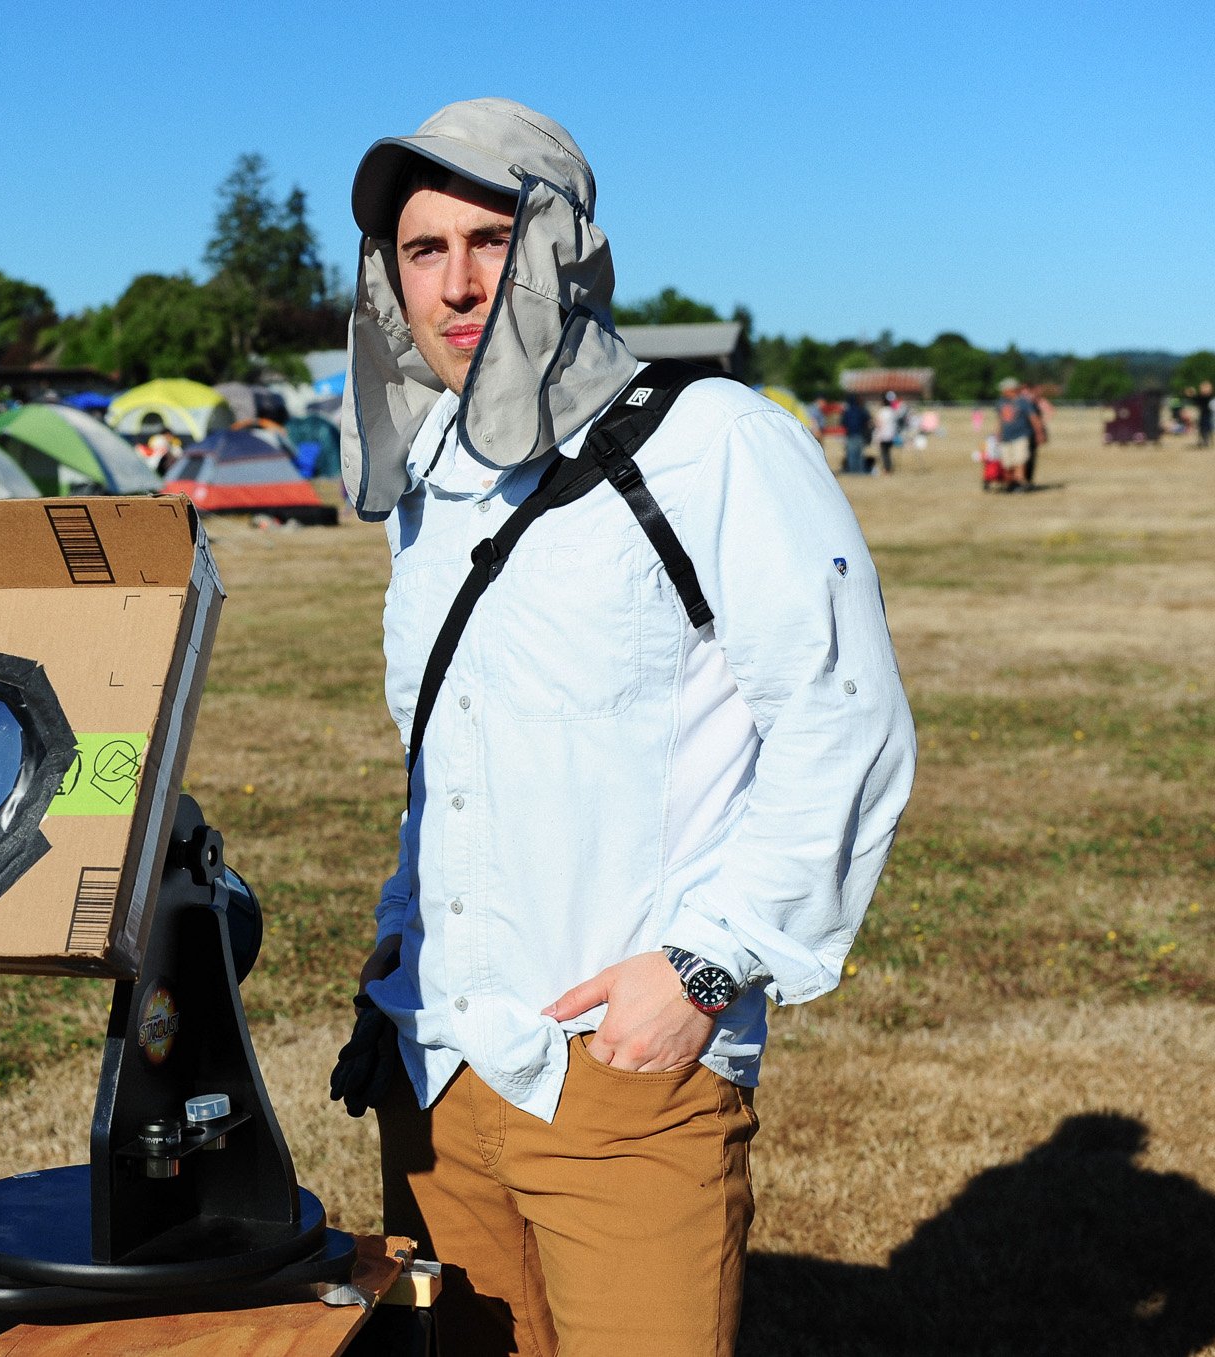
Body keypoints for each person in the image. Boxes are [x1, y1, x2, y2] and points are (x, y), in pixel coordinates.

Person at [327, 98, 916, 1357]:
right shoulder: (428, 489)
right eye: (422, 251)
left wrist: (705, 968)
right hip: (438, 1073)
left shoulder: (713, 443)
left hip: (622, 1072)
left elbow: (845, 722)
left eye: (493, 238)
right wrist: (397, 955)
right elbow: (452, 761)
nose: (458, 282)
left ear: (565, 252)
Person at [995, 377, 1043, 490]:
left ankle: (1020, 482)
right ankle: (1010, 483)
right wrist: (998, 434)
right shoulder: (1001, 402)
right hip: (1006, 437)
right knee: (1007, 462)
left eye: (1004, 389)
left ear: (1011, 389)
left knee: (1020, 459)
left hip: (1021, 435)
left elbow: (1034, 418)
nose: (1002, 391)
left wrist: (1039, 433)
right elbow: (1000, 420)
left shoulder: (1023, 402)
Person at [840, 392, 872, 473]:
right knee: (859, 455)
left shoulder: (846, 412)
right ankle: (860, 471)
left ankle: (852, 471)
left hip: (850, 435)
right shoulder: (862, 410)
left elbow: (843, 423)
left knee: (851, 455)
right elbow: (868, 421)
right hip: (860, 435)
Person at [873, 391, 901, 474]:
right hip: (891, 435)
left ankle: (886, 469)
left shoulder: (882, 411)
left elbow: (878, 423)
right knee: (888, 452)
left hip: (883, 435)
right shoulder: (892, 411)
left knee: (884, 453)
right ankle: (888, 467)